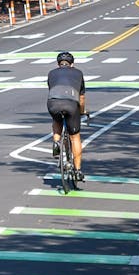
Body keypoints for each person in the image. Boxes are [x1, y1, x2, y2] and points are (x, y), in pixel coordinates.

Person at [47, 51, 87, 181]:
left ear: (58, 65)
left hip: (53, 103)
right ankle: (78, 170)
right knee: (75, 137)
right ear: (72, 64)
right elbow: (81, 98)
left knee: (56, 119)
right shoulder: (78, 73)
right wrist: (81, 111)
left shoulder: (51, 73)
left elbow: (52, 89)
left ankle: (56, 142)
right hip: (71, 104)